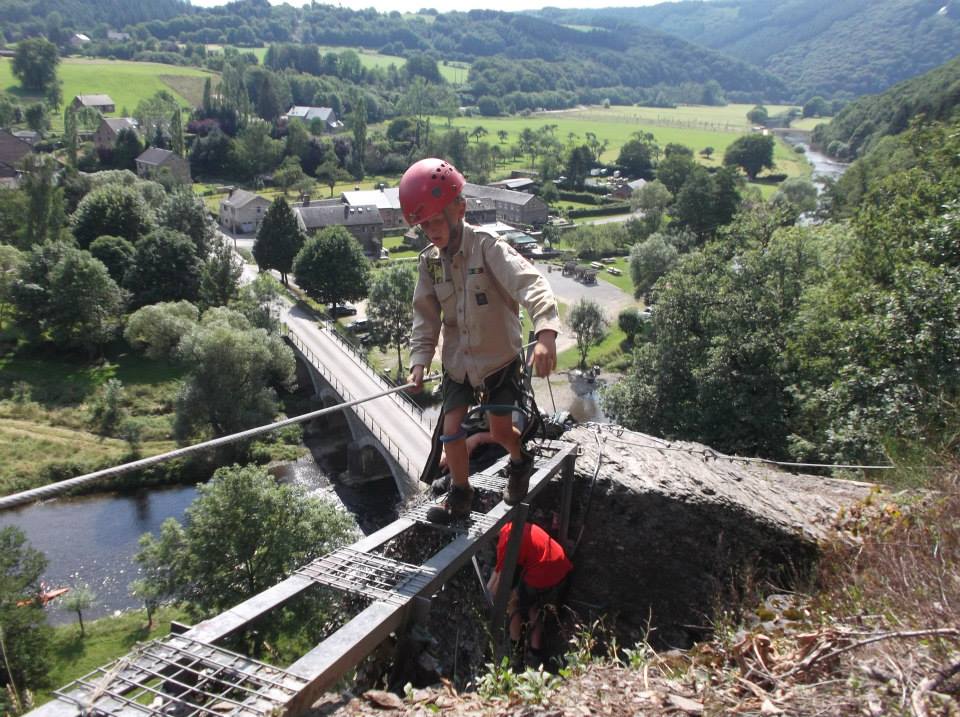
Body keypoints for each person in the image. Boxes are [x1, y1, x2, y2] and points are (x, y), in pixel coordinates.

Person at [402, 158, 561, 523]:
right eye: (423, 224)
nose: (431, 231)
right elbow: (424, 317)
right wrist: (418, 363)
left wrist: (546, 334)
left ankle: (520, 462)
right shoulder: (429, 263)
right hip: (459, 365)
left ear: (460, 208)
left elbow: (530, 283)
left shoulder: (488, 247)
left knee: (500, 431)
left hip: (498, 362)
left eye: (436, 220)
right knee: (451, 429)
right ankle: (460, 494)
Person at [487, 522, 573, 666]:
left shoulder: (505, 543)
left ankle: (517, 654)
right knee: (535, 608)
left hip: (544, 573)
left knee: (513, 604)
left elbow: (500, 583)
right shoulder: (515, 526)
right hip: (562, 567)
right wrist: (491, 588)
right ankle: (535, 653)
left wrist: (494, 600)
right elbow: (499, 570)